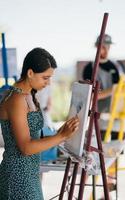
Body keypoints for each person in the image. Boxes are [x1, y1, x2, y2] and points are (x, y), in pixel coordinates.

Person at [0, 47, 79, 200]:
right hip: (17, 176)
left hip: (29, 173)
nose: (48, 83)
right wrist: (61, 136)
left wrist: (58, 134)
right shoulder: (16, 100)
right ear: (30, 73)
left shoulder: (27, 95)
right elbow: (26, 147)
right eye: (45, 77)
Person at [82, 34, 125, 197]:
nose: (105, 50)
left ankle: (107, 192)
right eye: (103, 46)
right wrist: (112, 91)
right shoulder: (90, 68)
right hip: (98, 120)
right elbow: (90, 94)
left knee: (113, 155)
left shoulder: (117, 66)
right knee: (94, 156)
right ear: (96, 47)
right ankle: (86, 192)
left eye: (108, 47)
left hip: (116, 120)